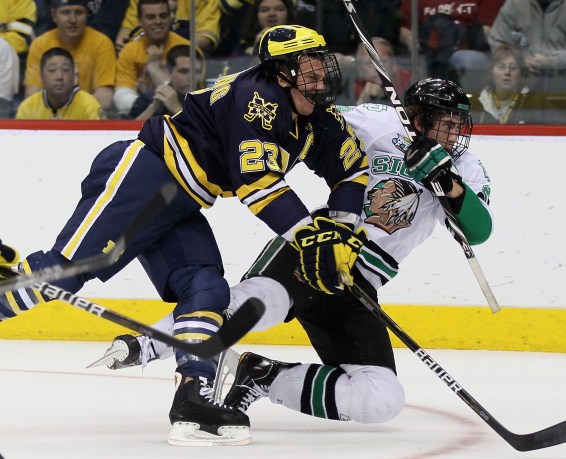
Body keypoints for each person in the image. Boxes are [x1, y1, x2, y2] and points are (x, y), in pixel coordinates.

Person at [0, 24, 368, 445]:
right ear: (281, 73)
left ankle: (193, 394)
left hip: (185, 201)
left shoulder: (318, 118)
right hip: (147, 177)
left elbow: (353, 170)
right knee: (65, 272)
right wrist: (309, 237)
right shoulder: (258, 100)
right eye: (307, 66)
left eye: (321, 61)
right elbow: (260, 186)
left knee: (206, 287)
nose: (321, 72)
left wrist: (342, 229)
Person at [95, 78, 493, 445]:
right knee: (257, 305)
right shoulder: (378, 121)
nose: (457, 131)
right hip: (322, 246)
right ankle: (147, 344)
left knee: (380, 400)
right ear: (419, 117)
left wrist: (448, 181)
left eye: (461, 121)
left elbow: (479, 230)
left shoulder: (468, 168)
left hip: (364, 280)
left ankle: (261, 375)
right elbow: (313, 125)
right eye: (447, 121)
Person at [24, 0, 117, 112]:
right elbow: (32, 93)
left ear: (87, 14)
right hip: (48, 117)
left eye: (78, 12)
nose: (72, 20)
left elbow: (104, 98)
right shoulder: (40, 44)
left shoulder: (102, 43)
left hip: (86, 118)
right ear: (54, 15)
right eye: (65, 12)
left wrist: (72, 114)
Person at [113, 0, 190, 116]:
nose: (158, 21)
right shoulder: (129, 51)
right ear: (139, 21)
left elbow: (190, 95)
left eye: (163, 16)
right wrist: (149, 101)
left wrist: (154, 69)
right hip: (143, 115)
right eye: (151, 17)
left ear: (171, 17)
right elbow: (122, 100)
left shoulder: (187, 48)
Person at [488, 0, 566, 76]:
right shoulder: (514, 3)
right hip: (519, 73)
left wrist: (550, 62)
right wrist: (519, 60)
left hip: (562, 73)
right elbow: (498, 41)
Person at [16, 47, 105, 120]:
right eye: (52, 70)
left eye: (65, 70)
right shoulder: (28, 107)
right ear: (41, 75)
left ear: (74, 74)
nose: (59, 77)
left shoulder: (89, 106)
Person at [469, 44, 544, 124]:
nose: (507, 72)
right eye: (501, 67)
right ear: (491, 72)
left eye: (513, 67)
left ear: (521, 73)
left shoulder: (536, 103)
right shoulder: (477, 104)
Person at [128, 44, 206, 120]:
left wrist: (176, 108)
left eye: (197, 72)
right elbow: (127, 131)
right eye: (184, 71)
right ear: (168, 72)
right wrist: (153, 107)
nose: (191, 78)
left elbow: (203, 131)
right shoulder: (148, 99)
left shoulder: (206, 101)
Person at [115, 0, 221, 55]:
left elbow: (205, 38)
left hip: (186, 56)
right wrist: (122, 40)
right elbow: (126, 32)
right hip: (145, 52)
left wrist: (171, 51)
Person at [339, 37, 412, 106]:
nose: (377, 68)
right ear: (360, 70)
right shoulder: (350, 87)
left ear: (394, 65)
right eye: (369, 63)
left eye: (383, 62)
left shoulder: (409, 83)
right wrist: (362, 102)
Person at [0, 0, 36, 118]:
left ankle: (2, 115)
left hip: (8, 56)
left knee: (2, 48)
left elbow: (21, 38)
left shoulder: (22, 2)